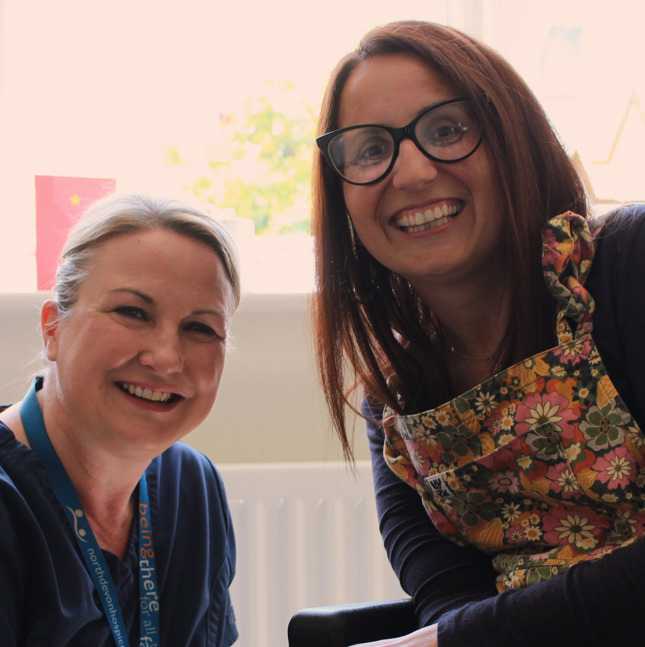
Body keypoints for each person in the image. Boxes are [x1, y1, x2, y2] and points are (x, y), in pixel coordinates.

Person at [311, 19, 645, 647]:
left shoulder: (629, 265)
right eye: (372, 149)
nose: (409, 173)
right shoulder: (395, 398)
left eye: (447, 130)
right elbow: (448, 604)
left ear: (516, 139)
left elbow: (457, 636)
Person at [0, 193, 241, 646]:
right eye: (132, 312)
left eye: (199, 328)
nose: (166, 359)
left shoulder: (193, 487)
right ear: (53, 328)